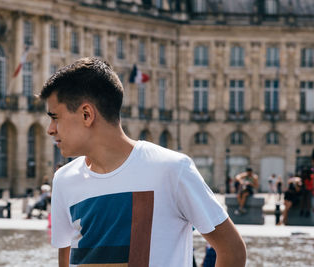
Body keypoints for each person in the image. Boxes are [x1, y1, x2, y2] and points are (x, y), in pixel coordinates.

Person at [39, 57, 246, 266]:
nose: (50, 129)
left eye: (55, 117)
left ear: (86, 114)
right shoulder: (64, 180)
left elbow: (232, 250)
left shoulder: (171, 169)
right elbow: (65, 260)